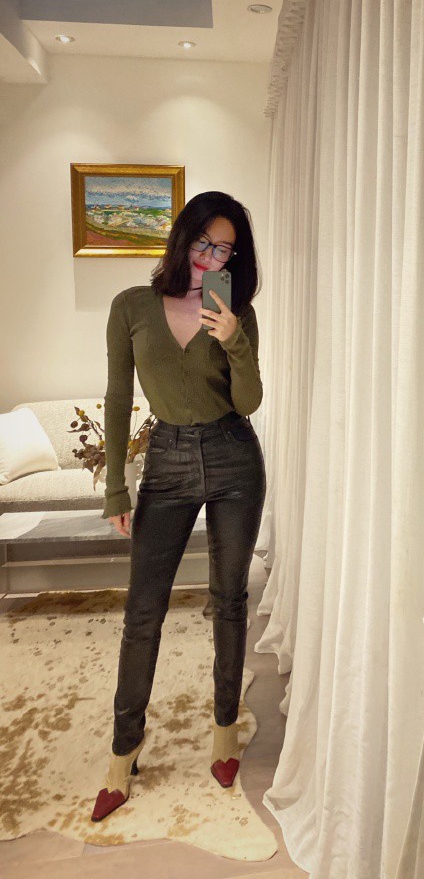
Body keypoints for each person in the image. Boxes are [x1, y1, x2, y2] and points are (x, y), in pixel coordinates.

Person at [91, 191, 266, 822]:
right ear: (182, 238)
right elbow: (117, 397)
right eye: (203, 243)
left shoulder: (235, 311)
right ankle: (123, 751)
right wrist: (116, 487)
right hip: (165, 462)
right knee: (144, 611)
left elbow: (248, 402)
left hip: (234, 458)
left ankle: (223, 733)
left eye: (225, 250)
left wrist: (235, 340)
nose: (211, 257)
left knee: (228, 599)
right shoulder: (131, 306)